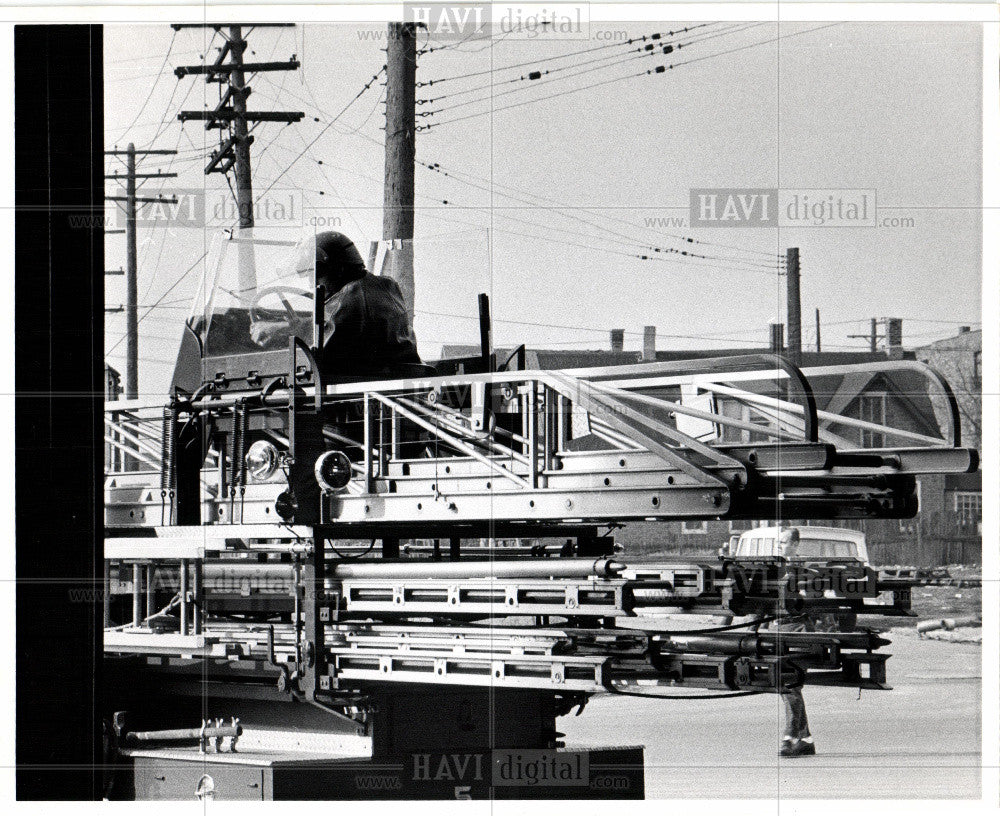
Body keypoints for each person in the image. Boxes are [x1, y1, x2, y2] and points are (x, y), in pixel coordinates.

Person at [251, 231, 423, 378]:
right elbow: (335, 327)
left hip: (364, 395)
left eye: (317, 274)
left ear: (339, 270)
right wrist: (291, 326)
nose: (312, 283)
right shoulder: (383, 285)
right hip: (390, 385)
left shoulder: (353, 296)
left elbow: (318, 357)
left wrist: (280, 334)